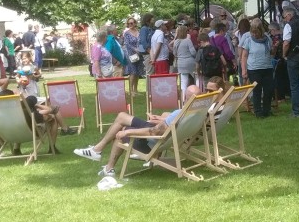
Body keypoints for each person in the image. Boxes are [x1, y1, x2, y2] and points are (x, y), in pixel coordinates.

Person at [75, 76, 225, 176]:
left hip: (153, 142)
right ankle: (98, 150)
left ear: (185, 98)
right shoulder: (198, 111)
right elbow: (167, 126)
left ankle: (107, 165)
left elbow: (154, 131)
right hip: (169, 136)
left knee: (121, 131)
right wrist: (161, 120)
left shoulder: (182, 112)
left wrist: (127, 133)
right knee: (122, 117)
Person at [238, 18, 274, 117]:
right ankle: (258, 112)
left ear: (261, 30)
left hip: (267, 68)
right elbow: (244, 56)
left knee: (268, 90)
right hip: (254, 69)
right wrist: (244, 70)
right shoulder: (248, 40)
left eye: (256, 32)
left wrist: (273, 48)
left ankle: (267, 110)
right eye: (252, 32)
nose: (254, 34)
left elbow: (271, 52)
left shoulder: (267, 39)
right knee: (257, 91)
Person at [120, 17, 143, 100]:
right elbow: (127, 44)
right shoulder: (127, 33)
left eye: (132, 23)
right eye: (129, 23)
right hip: (131, 54)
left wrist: (140, 49)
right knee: (132, 72)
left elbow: (141, 42)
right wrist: (135, 49)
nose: (130, 24)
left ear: (135, 23)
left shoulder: (138, 32)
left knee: (137, 72)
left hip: (139, 54)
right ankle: (131, 91)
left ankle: (135, 90)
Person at [172, 25, 198, 96]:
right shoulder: (188, 41)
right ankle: (198, 94)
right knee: (197, 78)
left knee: (183, 82)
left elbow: (174, 53)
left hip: (180, 63)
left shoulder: (176, 41)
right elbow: (193, 52)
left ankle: (183, 99)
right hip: (190, 62)